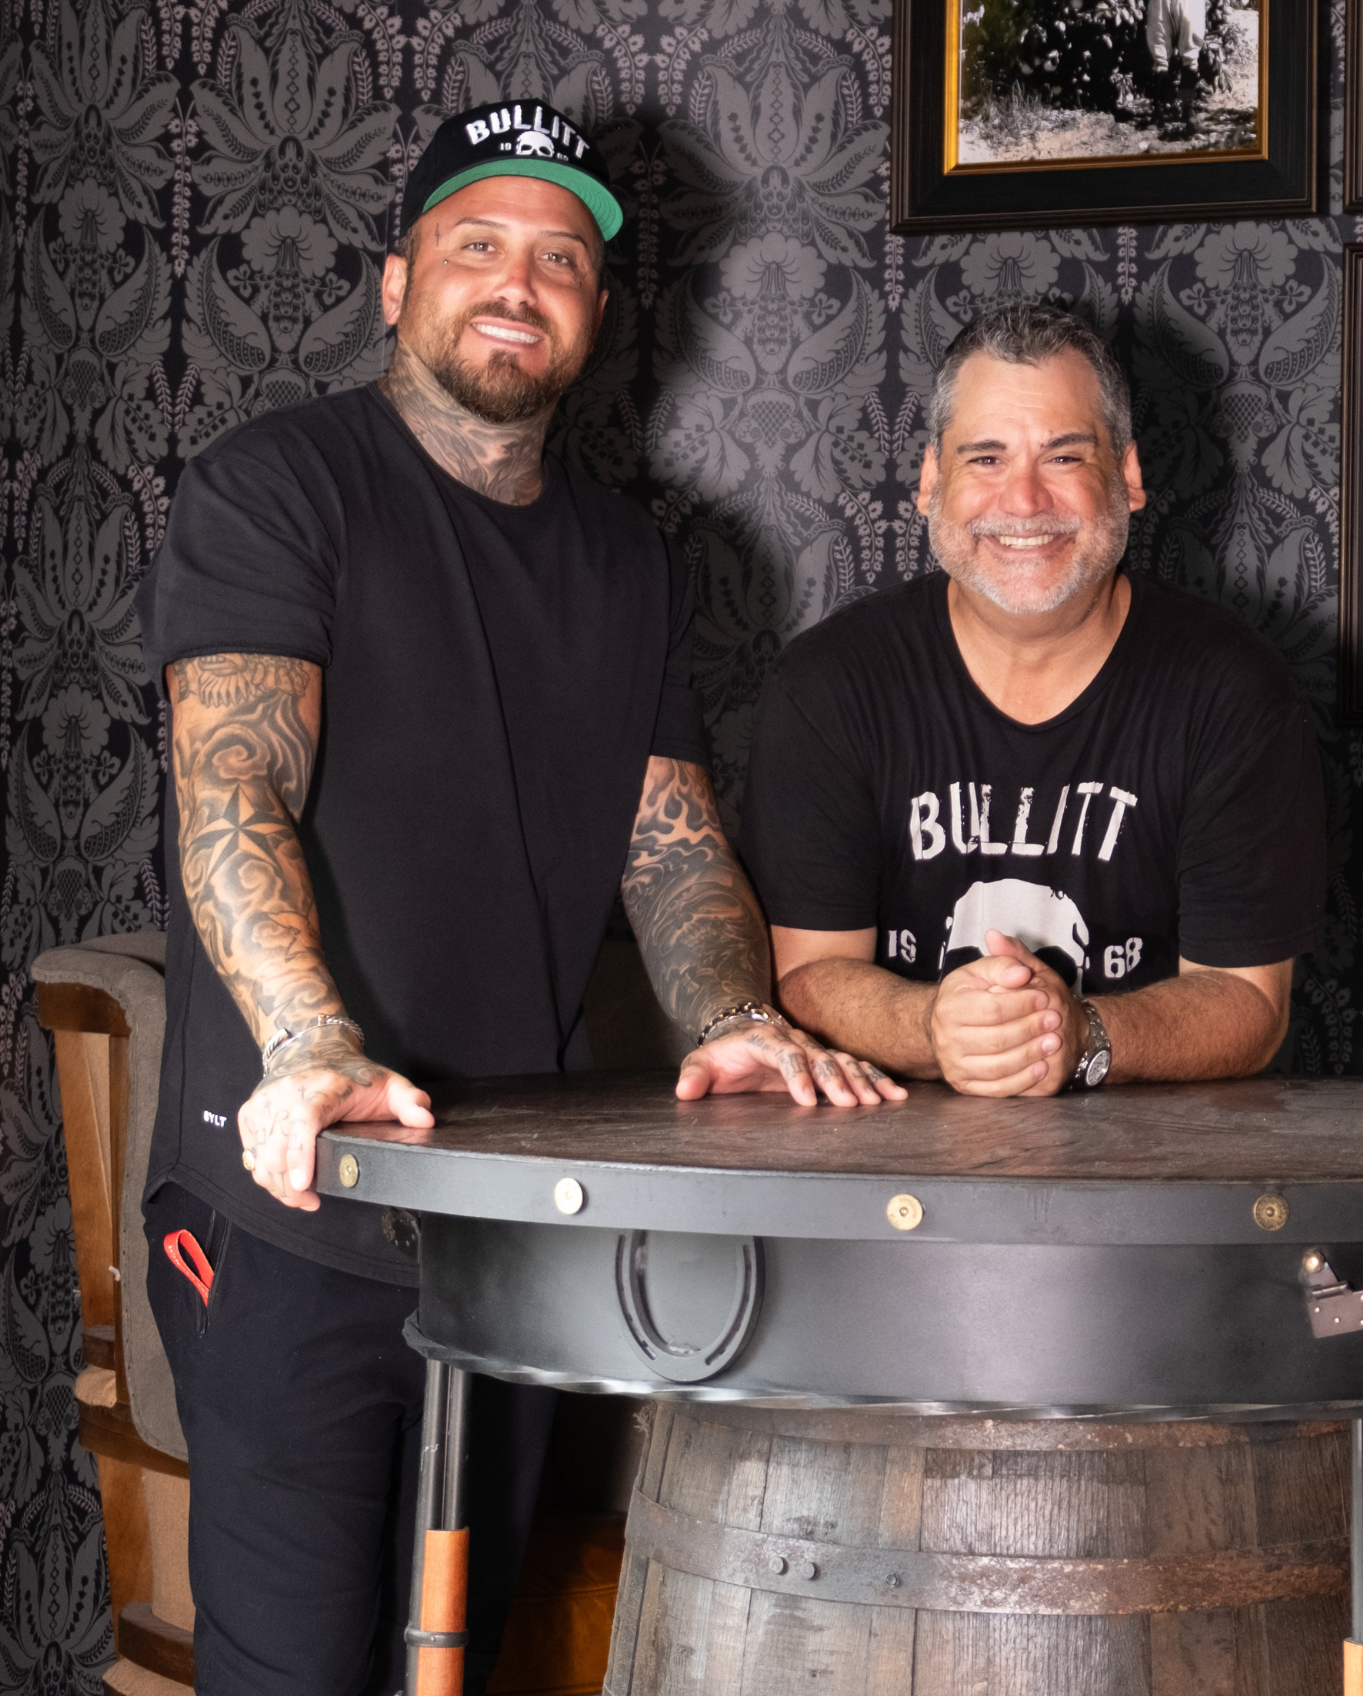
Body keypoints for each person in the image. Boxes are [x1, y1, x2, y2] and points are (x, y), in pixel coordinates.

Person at [135, 100, 895, 1696]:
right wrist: (309, 1045)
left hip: (509, 1232)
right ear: (396, 281)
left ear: (596, 313)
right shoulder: (279, 487)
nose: (517, 282)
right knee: (296, 1673)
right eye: (476, 242)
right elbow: (233, 786)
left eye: (560, 259)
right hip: (293, 1204)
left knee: (458, 1663)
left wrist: (738, 1015)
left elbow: (669, 839)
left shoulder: (630, 559)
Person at [740, 302, 1324, 1096]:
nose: (1022, 502)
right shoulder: (829, 686)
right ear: (931, 482)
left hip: (1150, 1158)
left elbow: (1248, 1003)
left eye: (1063, 457)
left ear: (1127, 478)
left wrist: (1078, 1035)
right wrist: (934, 1025)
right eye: (985, 458)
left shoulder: (1232, 691)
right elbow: (807, 976)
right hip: (886, 1150)